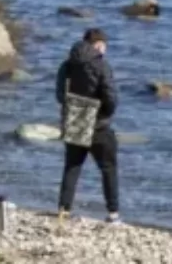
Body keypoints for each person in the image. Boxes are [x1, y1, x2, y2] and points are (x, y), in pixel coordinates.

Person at [55, 27, 121, 224]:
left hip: (75, 117)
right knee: (108, 168)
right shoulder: (102, 65)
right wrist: (105, 113)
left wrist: (74, 108)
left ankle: (64, 210)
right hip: (98, 122)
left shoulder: (67, 65)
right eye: (104, 46)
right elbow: (110, 96)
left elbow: (60, 94)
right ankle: (113, 213)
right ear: (99, 45)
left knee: (72, 167)